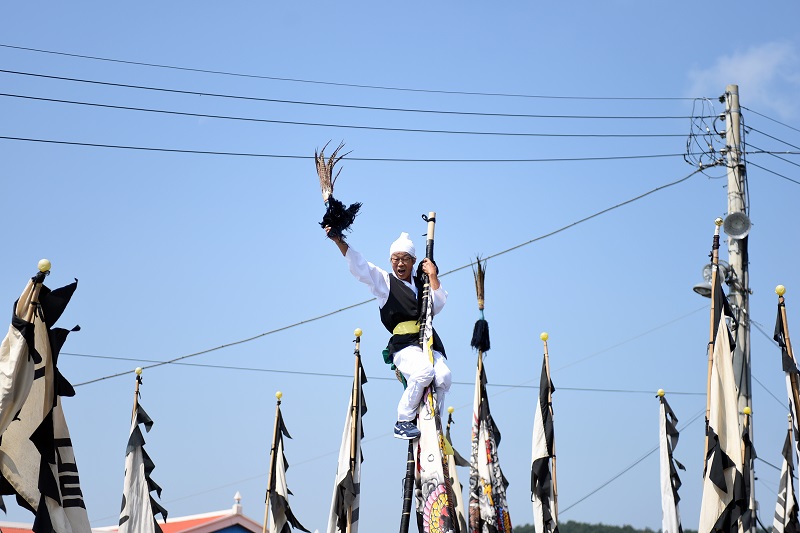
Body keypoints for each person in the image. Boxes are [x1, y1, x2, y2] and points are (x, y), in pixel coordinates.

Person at [325, 227, 452, 440]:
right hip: (404, 344)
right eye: (395, 259)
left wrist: (432, 275)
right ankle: (403, 420)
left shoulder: (422, 284)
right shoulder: (385, 282)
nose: (400, 264)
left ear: (414, 261)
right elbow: (361, 267)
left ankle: (432, 420)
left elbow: (436, 306)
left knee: (444, 376)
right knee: (424, 372)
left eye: (404, 259)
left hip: (428, 340)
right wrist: (339, 241)